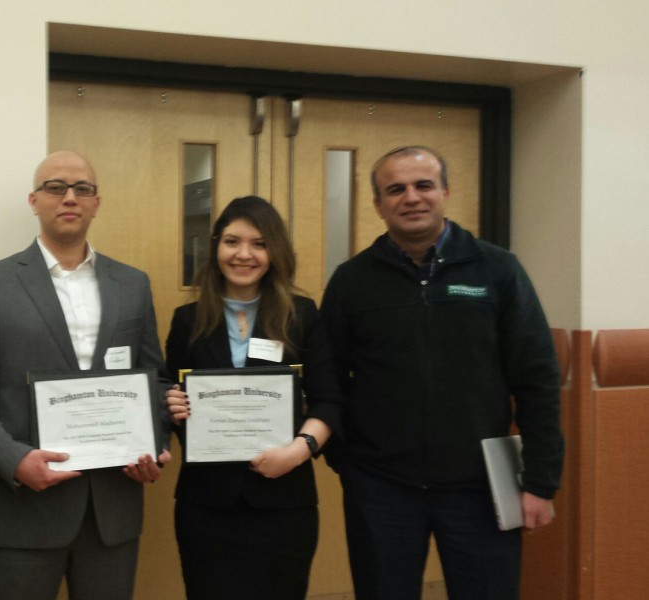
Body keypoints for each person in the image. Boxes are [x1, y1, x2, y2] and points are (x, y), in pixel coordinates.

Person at [320, 146, 565, 600]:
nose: (411, 198)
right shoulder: (352, 281)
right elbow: (327, 378)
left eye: (423, 185)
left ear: (446, 192)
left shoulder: (498, 270)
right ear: (378, 204)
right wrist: (349, 462)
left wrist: (539, 481)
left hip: (481, 488)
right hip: (381, 488)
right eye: (395, 189)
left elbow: (538, 379)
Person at [0, 150, 170, 600]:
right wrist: (13, 460)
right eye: (55, 187)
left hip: (111, 510)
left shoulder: (133, 284)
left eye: (82, 189)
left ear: (96, 203)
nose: (70, 197)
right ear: (34, 201)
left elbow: (154, 380)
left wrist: (156, 445)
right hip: (21, 512)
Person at [163, 196, 343, 600]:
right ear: (215, 248)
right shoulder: (187, 320)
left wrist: (299, 451)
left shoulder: (302, 315)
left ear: (274, 251)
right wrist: (172, 406)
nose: (243, 254)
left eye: (259, 243)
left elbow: (328, 400)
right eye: (232, 241)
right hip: (206, 504)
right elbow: (169, 394)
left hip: (285, 502)